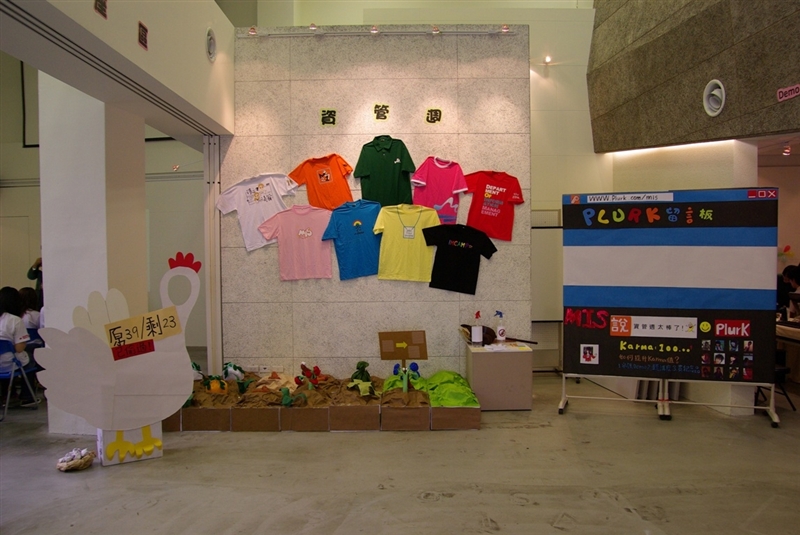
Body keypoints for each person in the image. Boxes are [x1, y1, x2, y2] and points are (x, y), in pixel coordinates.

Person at [0, 286, 36, 406]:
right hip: (9, 363)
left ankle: (6, 395)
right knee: (30, 358)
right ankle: (27, 396)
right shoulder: (15, 320)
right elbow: (19, 348)